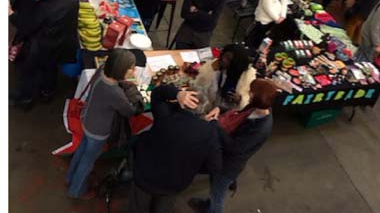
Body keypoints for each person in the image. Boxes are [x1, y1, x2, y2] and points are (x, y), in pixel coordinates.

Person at [189, 79, 278, 213]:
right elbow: (238, 113)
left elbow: (234, 148)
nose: (249, 93)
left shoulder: (260, 128)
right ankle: (214, 200)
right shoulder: (258, 108)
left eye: (251, 92)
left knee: (217, 194)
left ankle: (212, 209)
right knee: (217, 188)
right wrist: (220, 108)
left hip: (227, 166)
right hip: (227, 160)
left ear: (257, 98)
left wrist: (215, 125)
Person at [66, 49, 144, 200]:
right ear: (120, 70)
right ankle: (77, 191)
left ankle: (70, 177)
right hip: (98, 131)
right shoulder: (115, 93)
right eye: (131, 67)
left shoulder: (102, 70)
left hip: (87, 120)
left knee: (82, 151)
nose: (134, 70)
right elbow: (129, 111)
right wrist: (133, 90)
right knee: (88, 162)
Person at [129, 85, 221, 213]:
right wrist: (192, 166)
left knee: (138, 208)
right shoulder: (209, 132)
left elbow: (156, 93)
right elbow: (214, 166)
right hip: (174, 184)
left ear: (183, 104)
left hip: (146, 177)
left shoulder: (165, 115)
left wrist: (177, 93)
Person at [9, 0, 79, 109]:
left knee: (29, 74)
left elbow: (27, 26)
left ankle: (24, 99)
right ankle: (48, 92)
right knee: (50, 69)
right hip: (60, 45)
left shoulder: (46, 8)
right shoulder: (73, 0)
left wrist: (11, 14)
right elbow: (57, 6)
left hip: (41, 47)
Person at [195, 44, 257, 111]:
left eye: (229, 59)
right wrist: (212, 70)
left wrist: (240, 99)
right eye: (224, 56)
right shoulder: (217, 64)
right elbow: (200, 84)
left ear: (236, 63)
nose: (224, 60)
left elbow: (250, 101)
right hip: (214, 104)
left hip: (231, 110)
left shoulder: (248, 76)